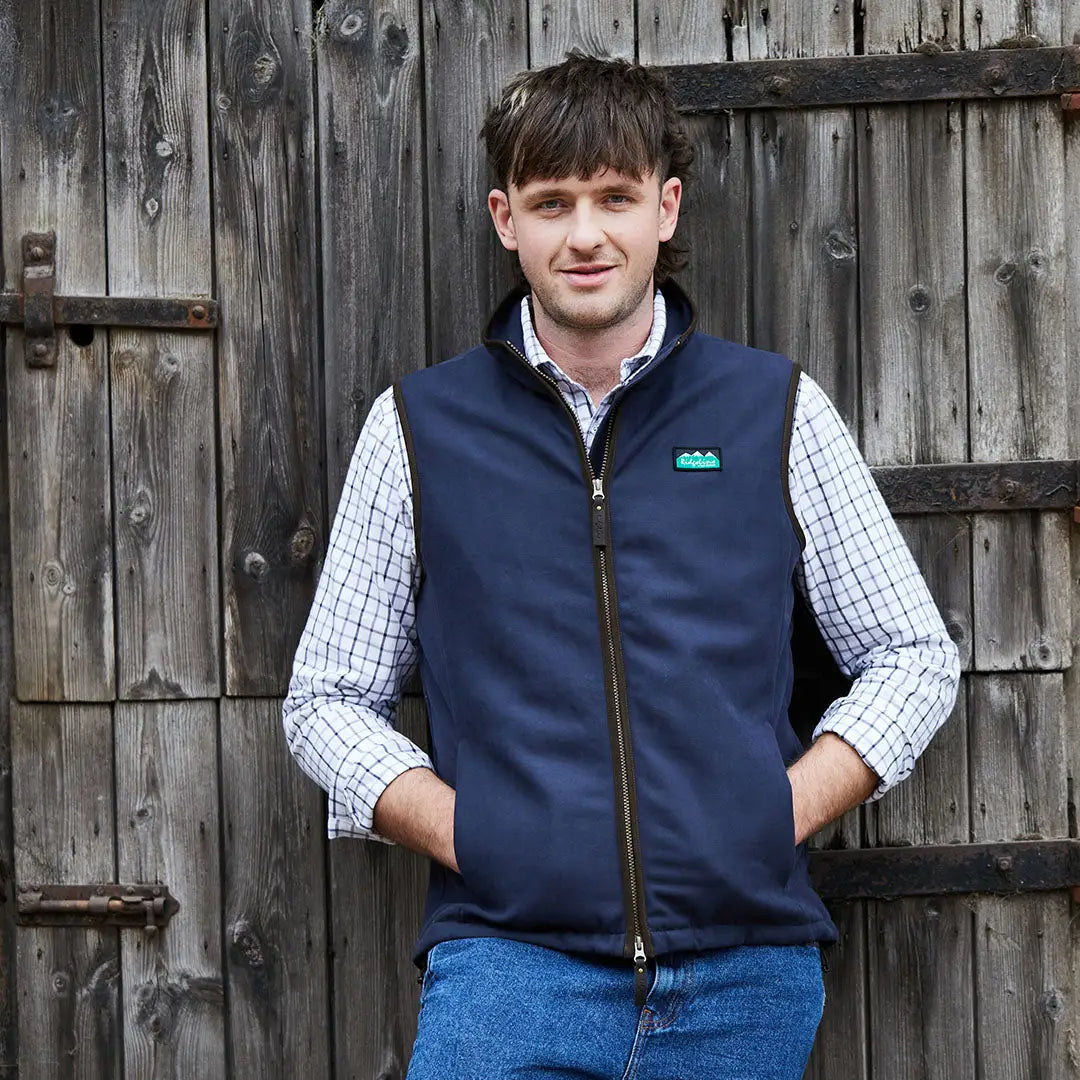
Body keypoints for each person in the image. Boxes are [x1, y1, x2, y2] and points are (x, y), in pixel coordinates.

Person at [282, 52, 961, 1080]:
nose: (586, 234)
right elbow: (325, 700)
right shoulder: (418, 428)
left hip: (743, 975)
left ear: (665, 208)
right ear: (507, 221)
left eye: (614, 197)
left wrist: (772, 815)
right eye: (552, 203)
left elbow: (913, 655)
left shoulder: (774, 410)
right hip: (508, 974)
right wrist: (474, 834)